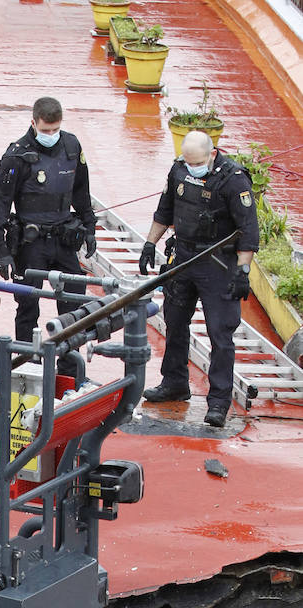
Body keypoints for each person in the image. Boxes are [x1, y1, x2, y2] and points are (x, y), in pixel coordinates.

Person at [138, 131, 259, 427]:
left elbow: (248, 229)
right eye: (188, 161)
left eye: (198, 163)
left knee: (220, 333)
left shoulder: (234, 180)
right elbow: (165, 210)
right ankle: (175, 383)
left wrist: (243, 271)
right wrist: (150, 243)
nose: (192, 168)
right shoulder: (179, 169)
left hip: (218, 264)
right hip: (183, 258)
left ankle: (218, 402)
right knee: (175, 322)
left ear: (212, 154)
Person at [0, 97, 97, 345]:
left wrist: (90, 228)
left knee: (74, 309)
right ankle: (28, 366)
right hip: (30, 243)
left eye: (56, 129)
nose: (51, 134)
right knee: (27, 307)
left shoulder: (71, 146)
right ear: (33, 123)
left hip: (64, 239)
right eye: (46, 130)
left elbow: (81, 191)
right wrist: (0, 250)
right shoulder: (17, 156)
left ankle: (71, 371)